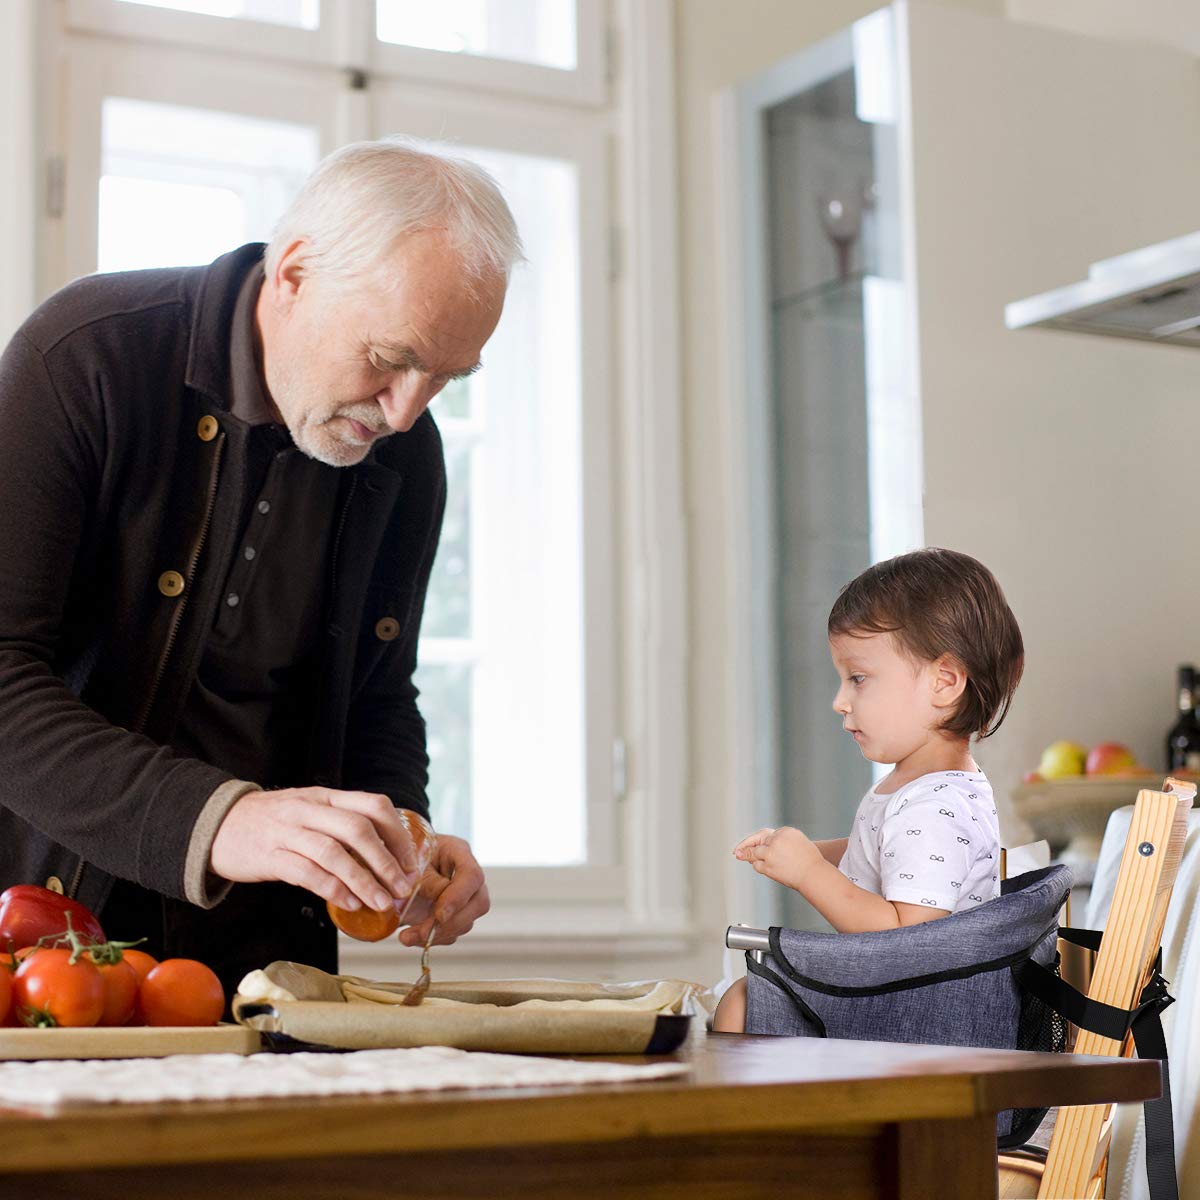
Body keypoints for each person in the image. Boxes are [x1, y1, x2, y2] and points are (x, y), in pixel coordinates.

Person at [0, 140, 520, 999]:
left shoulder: (409, 455)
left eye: (448, 378)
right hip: (46, 950)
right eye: (391, 357)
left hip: (266, 963)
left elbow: (378, 697)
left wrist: (403, 839)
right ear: (295, 273)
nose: (406, 412)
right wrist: (223, 820)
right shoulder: (82, 357)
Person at [713, 547, 1024, 1032]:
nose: (840, 701)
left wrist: (810, 873)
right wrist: (815, 853)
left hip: (917, 1022)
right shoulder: (926, 790)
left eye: (858, 678)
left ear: (944, 683)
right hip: (909, 1007)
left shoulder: (934, 807)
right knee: (744, 997)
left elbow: (907, 943)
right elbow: (889, 853)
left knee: (743, 1002)